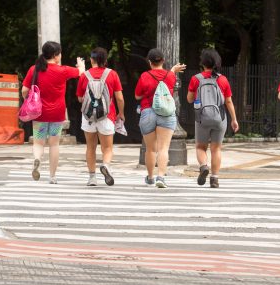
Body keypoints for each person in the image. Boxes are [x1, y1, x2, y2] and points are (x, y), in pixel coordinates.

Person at [21, 41, 85, 184]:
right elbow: (81, 73)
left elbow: (24, 90)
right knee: (54, 144)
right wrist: (81, 65)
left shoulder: (34, 69)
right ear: (56, 55)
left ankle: (37, 159)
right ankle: (52, 176)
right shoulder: (63, 70)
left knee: (38, 143)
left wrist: (28, 99)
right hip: (57, 114)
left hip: (39, 113)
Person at [186, 48, 239, 189]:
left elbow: (189, 99)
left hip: (202, 118)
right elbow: (228, 101)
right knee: (216, 149)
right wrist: (234, 119)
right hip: (219, 118)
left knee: (200, 147)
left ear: (202, 63)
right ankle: (214, 179)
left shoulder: (196, 79)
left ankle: (204, 166)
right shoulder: (222, 79)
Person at [134, 48, 186, 188]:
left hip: (148, 112)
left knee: (150, 149)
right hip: (166, 113)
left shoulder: (144, 76)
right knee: (163, 148)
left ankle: (150, 177)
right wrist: (173, 70)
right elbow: (170, 79)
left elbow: (137, 96)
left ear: (149, 62)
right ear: (163, 60)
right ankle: (161, 177)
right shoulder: (170, 76)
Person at [75, 47, 124, 186]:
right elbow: (119, 98)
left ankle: (92, 178)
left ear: (92, 60)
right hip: (107, 116)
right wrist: (121, 113)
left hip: (88, 117)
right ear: (105, 60)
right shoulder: (112, 74)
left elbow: (80, 98)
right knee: (107, 148)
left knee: (90, 147)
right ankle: (106, 165)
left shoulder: (85, 75)